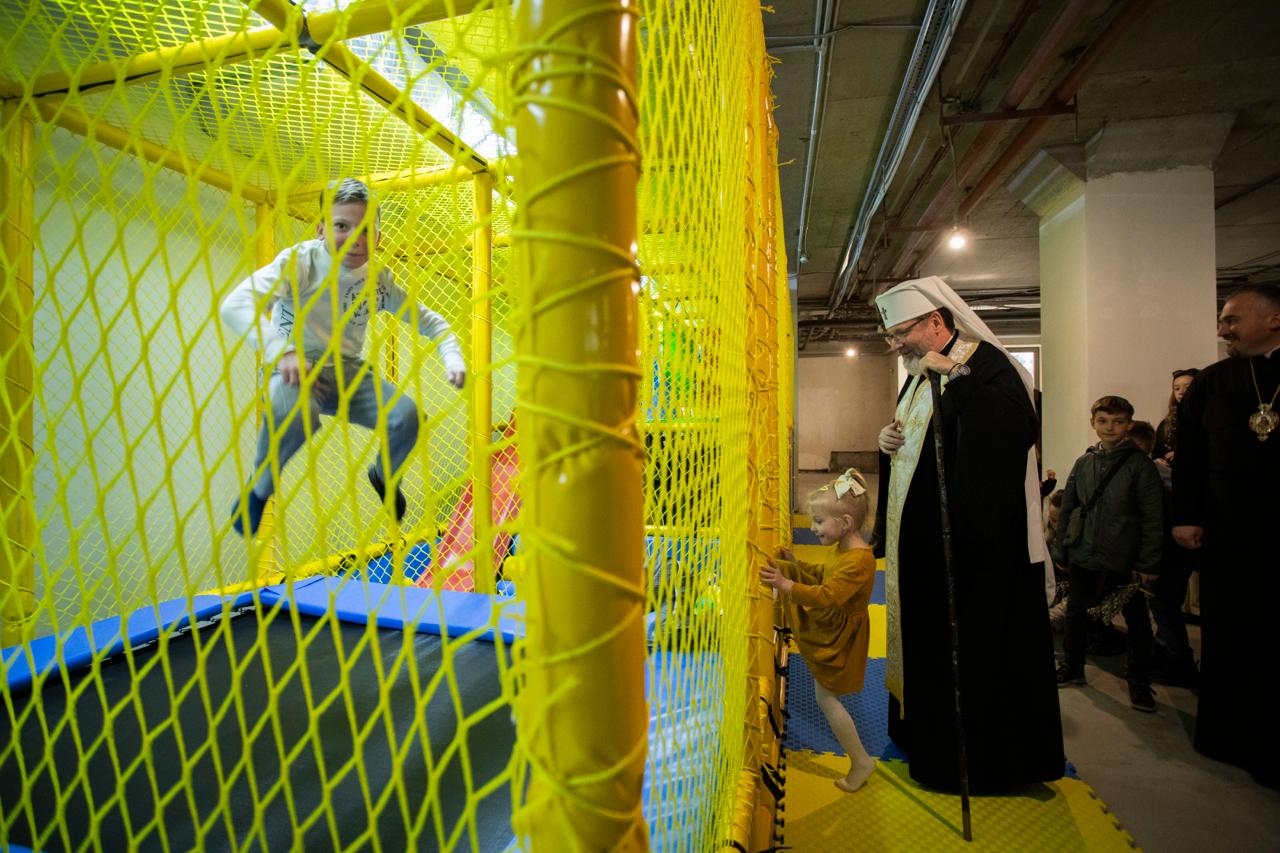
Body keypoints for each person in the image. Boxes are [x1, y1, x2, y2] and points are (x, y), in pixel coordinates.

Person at [873, 276, 1062, 793]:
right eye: (891, 337)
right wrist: (887, 442)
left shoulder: (986, 364)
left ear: (936, 321)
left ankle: (969, 759)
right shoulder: (918, 371)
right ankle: (920, 733)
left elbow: (1008, 434)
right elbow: (915, 438)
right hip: (921, 543)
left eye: (901, 334)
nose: (896, 345)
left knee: (968, 653)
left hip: (972, 550)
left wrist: (956, 376)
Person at [220, 178, 466, 536]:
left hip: (346, 371)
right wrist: (282, 351)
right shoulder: (301, 263)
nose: (354, 239)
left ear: (378, 237)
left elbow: (433, 322)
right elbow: (235, 305)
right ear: (321, 229)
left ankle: (384, 474)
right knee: (296, 413)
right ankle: (258, 490)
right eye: (341, 226)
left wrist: (453, 358)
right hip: (293, 369)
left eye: (365, 230)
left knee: (407, 417)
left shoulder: (378, 280)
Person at [1172, 283, 1280, 785]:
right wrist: (1185, 515)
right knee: (1230, 632)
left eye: (1232, 320)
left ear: (1274, 319)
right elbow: (1189, 455)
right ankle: (1227, 735)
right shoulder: (1213, 382)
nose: (1222, 330)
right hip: (1227, 529)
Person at [759, 469, 878, 793]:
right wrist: (796, 566)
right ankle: (860, 760)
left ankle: (861, 761)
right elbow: (825, 573)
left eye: (819, 522)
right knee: (824, 696)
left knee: (826, 698)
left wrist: (787, 584)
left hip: (839, 638)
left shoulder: (860, 561)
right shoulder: (845, 549)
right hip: (834, 629)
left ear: (845, 523)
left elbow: (828, 595)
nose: (812, 528)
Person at [1051, 399, 1163, 712]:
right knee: (1075, 613)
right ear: (1093, 423)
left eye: (1118, 421)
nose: (1110, 428)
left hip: (1124, 556)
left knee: (1137, 620)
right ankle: (1073, 666)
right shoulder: (1084, 462)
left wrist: (1148, 562)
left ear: (1129, 424)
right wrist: (1062, 550)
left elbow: (1153, 518)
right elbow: (1068, 507)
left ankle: (1139, 681)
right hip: (1084, 553)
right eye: (1103, 421)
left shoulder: (1140, 466)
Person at [1128, 420, 1198, 686]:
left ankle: (1180, 662)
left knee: (1164, 605)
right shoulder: (1162, 473)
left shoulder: (1152, 476)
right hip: (1174, 553)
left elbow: (1154, 521)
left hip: (1167, 553)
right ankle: (1165, 651)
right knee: (1166, 605)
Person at [1151, 369, 1199, 462]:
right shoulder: (1168, 422)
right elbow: (1156, 450)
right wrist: (1159, 459)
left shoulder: (1208, 418)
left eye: (1187, 387)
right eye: (1177, 388)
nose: (1181, 392)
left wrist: (1184, 453)